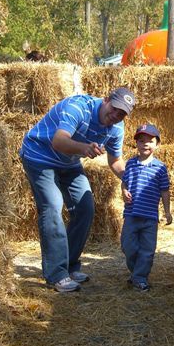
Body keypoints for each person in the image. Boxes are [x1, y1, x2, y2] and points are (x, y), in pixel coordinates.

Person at [20, 87, 136, 292]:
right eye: (115, 109)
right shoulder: (78, 108)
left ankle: (70, 265)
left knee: (85, 208)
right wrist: (84, 149)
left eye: (122, 113)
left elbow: (116, 161)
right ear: (106, 99)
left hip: (68, 162)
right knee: (52, 206)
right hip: (39, 156)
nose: (116, 116)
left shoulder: (116, 128)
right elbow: (59, 141)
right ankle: (56, 274)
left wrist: (134, 179)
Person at [120, 123, 172, 292]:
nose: (145, 144)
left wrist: (167, 212)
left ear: (157, 144)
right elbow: (124, 183)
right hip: (131, 214)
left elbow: (164, 191)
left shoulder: (160, 168)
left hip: (150, 217)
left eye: (150, 141)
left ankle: (140, 278)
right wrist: (124, 191)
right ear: (136, 143)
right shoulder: (130, 164)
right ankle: (136, 273)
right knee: (128, 246)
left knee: (147, 250)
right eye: (141, 141)